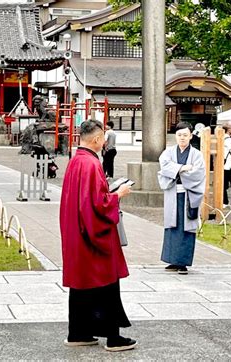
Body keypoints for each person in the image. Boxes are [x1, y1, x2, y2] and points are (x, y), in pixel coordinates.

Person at [60, 119, 136, 352]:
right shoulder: (91, 165)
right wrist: (118, 195)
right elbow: (97, 205)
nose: (104, 142)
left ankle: (78, 333)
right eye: (103, 138)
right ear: (96, 139)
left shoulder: (76, 161)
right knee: (106, 283)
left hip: (77, 233)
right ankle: (113, 337)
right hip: (93, 236)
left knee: (81, 284)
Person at [158, 122, 206, 275]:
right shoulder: (168, 152)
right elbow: (164, 167)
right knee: (172, 226)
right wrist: (182, 168)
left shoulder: (196, 155)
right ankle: (172, 260)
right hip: (172, 192)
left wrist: (175, 170)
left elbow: (198, 174)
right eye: (179, 135)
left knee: (186, 227)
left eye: (185, 135)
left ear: (191, 136)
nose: (182, 138)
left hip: (188, 194)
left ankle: (183, 262)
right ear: (175, 136)